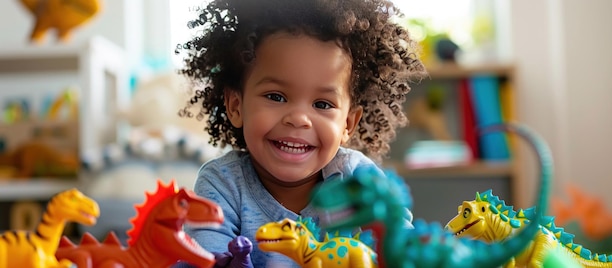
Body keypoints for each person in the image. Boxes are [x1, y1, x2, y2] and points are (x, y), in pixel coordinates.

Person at [174, 0, 426, 267]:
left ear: (348, 124)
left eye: (322, 104)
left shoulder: (356, 179)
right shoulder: (221, 183)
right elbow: (204, 259)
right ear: (236, 106)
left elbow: (401, 251)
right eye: (276, 96)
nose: (298, 119)